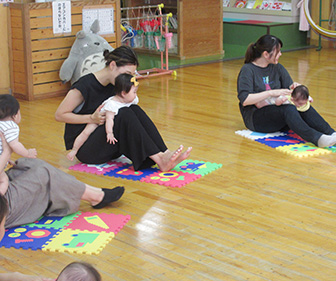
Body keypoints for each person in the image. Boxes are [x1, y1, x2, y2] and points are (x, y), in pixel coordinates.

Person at [55, 45, 192, 171]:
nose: (127, 78)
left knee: (133, 109)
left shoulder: (116, 85)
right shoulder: (84, 85)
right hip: (86, 147)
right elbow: (60, 115)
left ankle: (164, 153)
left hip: (110, 142)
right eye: (126, 73)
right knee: (124, 113)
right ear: (113, 65)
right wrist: (91, 118)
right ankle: (160, 160)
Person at [237, 34, 336, 148]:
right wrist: (271, 92)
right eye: (278, 51)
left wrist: (296, 88)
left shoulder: (278, 68)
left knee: (302, 105)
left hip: (278, 116)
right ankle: (318, 138)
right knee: (289, 109)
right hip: (257, 120)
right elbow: (245, 100)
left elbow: (289, 91)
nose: (280, 54)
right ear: (266, 54)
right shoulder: (248, 70)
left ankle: (331, 133)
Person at [0, 133, 125, 234]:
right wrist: (6, 154)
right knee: (42, 173)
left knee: (27, 163)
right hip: (4, 204)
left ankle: (94, 191)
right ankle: (95, 196)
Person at [67, 73, 140, 161]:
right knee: (86, 133)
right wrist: (109, 133)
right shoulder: (112, 105)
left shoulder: (129, 99)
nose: (135, 95)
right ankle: (74, 150)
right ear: (123, 93)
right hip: (98, 119)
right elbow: (109, 119)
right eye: (134, 92)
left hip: (110, 119)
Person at [0, 95, 37, 195]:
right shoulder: (11, 126)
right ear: (15, 115)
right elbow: (14, 145)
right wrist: (27, 153)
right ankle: (1, 197)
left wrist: (7, 160)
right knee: (4, 180)